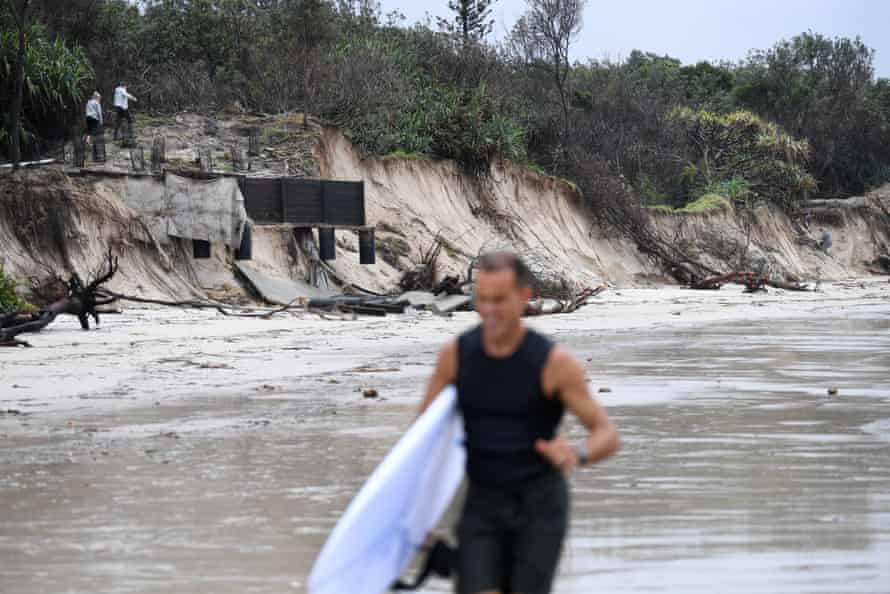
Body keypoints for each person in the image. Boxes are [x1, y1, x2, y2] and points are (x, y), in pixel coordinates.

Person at [419, 252, 621, 594]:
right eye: (481, 299)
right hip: (482, 500)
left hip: (539, 507)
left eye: (499, 300)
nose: (489, 310)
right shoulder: (455, 356)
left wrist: (576, 454)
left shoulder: (553, 363)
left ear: (525, 296)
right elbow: (423, 437)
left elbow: (606, 434)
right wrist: (417, 513)